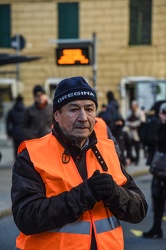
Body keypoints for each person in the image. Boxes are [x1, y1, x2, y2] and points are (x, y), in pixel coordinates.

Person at [11, 76, 148, 250]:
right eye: (74, 109)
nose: (83, 117)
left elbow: (139, 210)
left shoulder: (108, 149)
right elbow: (26, 218)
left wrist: (115, 193)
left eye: (89, 109)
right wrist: (85, 194)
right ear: (57, 116)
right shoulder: (32, 154)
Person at [142, 102, 166, 239]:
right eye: (161, 113)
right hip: (159, 171)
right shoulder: (160, 126)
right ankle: (156, 229)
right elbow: (151, 141)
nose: (161, 116)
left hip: (162, 170)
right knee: (157, 200)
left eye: (163, 114)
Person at [126, 100, 146, 165]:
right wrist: (130, 124)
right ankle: (132, 158)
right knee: (130, 147)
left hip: (137, 132)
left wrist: (134, 124)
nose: (133, 107)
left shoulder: (140, 112)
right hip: (130, 132)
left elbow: (142, 121)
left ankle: (137, 159)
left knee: (137, 147)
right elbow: (127, 120)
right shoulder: (130, 112)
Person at [6, 95, 25, 159]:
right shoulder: (26, 110)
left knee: (16, 148)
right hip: (24, 132)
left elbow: (8, 123)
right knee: (23, 148)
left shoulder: (11, 111)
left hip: (15, 132)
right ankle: (23, 162)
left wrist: (9, 133)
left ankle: (16, 161)